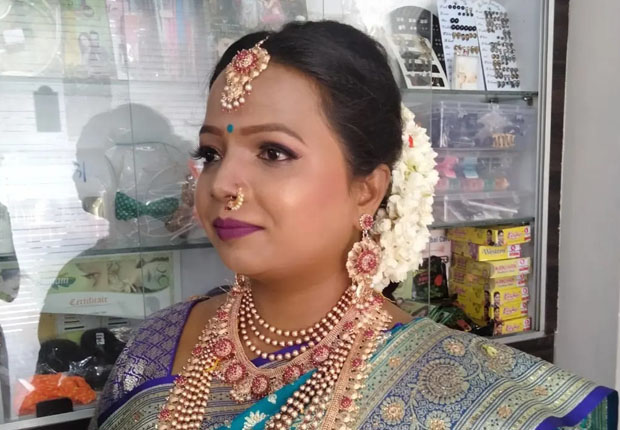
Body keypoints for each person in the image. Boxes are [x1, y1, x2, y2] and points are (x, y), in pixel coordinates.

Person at [89, 22, 617, 430]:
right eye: (211, 152)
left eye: (273, 152)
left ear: (367, 188)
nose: (223, 182)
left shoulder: (459, 390)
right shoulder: (154, 346)